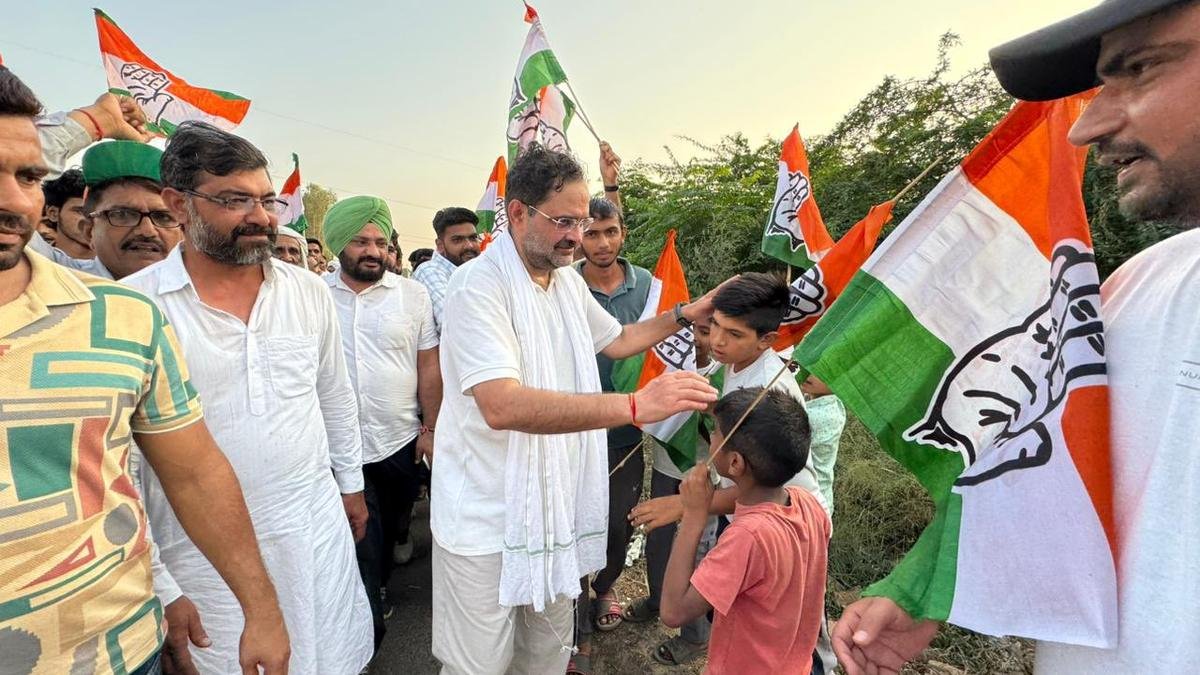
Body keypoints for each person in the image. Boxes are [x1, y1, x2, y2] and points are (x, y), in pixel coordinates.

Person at [834, 1, 1200, 673]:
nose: (1087, 125)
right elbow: (1048, 468)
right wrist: (924, 587)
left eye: (1142, 68)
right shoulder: (1139, 286)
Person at [0, 64, 289, 675]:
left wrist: (260, 609)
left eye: (29, 177)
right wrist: (91, 123)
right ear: (86, 220)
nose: (14, 200)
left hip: (124, 650)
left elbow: (194, 475)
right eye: (123, 216)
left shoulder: (122, 318)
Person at [430, 143, 722, 675]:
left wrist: (685, 313)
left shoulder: (565, 280)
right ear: (518, 213)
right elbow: (501, 405)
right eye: (563, 221)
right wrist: (634, 405)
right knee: (479, 664)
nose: (576, 236)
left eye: (581, 222)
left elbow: (618, 340)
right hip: (487, 514)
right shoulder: (478, 287)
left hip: (552, 504)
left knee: (544, 652)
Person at [122, 121, 373, 674]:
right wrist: (161, 583)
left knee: (331, 657)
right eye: (234, 200)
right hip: (200, 562)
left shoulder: (306, 290)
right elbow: (121, 464)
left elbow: (333, 395)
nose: (260, 216)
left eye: (266, 199)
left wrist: (351, 485)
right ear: (178, 204)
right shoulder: (132, 309)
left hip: (314, 531)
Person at [322, 195, 441, 651]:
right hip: (336, 446)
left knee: (389, 530)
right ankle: (368, 629)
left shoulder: (413, 296)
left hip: (398, 440)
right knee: (360, 539)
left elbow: (428, 366)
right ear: (338, 244)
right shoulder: (314, 294)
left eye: (380, 242)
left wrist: (429, 429)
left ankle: (379, 588)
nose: (372, 251)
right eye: (360, 241)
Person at [662, 388, 829, 674]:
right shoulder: (808, 504)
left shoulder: (747, 538)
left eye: (716, 432)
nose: (711, 436)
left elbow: (673, 611)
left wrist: (693, 515)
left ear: (735, 463)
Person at [567, 191, 651, 673]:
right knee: (575, 524)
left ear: (623, 233)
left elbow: (670, 346)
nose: (602, 243)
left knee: (619, 523)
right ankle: (576, 628)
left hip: (625, 431)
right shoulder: (563, 284)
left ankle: (605, 586)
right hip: (572, 429)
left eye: (610, 232)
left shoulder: (650, 286)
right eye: (592, 233)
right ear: (579, 236)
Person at [622, 316, 720, 667]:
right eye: (689, 330)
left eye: (705, 332)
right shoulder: (669, 361)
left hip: (703, 479)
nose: (695, 338)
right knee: (658, 540)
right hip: (666, 466)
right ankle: (657, 598)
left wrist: (704, 411)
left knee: (696, 553)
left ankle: (695, 634)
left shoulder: (724, 374)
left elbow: (728, 431)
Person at [411, 207, 481, 334]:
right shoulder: (429, 271)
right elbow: (453, 323)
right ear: (440, 245)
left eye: (473, 238)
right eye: (458, 240)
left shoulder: (476, 272)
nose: (469, 245)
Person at [40, 167, 92, 259]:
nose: (93, 219)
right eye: (81, 211)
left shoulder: (116, 265)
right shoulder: (30, 261)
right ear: (53, 213)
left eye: (98, 212)